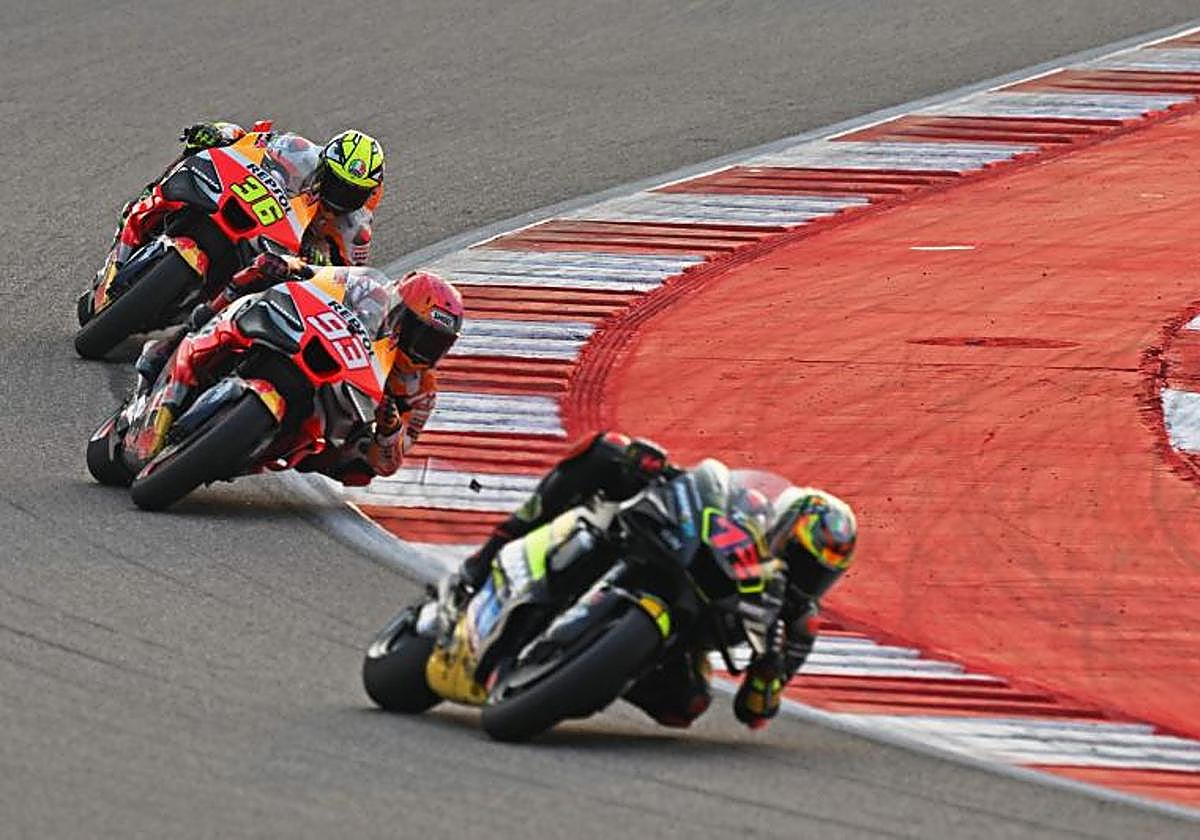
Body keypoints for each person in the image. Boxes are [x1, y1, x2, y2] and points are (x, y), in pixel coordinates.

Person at [442, 431, 858, 730]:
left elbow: (755, 712)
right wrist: (660, 470)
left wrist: (769, 669)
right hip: (662, 554)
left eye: (815, 572)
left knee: (687, 705)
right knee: (609, 451)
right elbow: (708, 487)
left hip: (688, 633)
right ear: (783, 526)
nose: (803, 574)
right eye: (798, 556)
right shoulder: (749, 509)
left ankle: (582, 675)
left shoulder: (798, 621)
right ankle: (493, 551)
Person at [136, 255, 463, 487]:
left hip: (335, 410)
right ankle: (177, 343)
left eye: (436, 344)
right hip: (307, 341)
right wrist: (290, 266)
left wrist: (390, 429)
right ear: (398, 313)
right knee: (259, 275)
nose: (423, 349)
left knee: (358, 469)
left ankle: (250, 449)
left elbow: (389, 463)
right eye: (420, 334)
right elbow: (325, 276)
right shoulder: (370, 296)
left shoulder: (421, 391)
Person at [98, 119, 385, 285]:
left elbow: (346, 283)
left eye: (351, 191)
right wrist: (218, 133)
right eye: (335, 181)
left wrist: (321, 266)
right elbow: (250, 140)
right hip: (251, 201)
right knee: (201, 147)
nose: (339, 194)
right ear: (324, 163)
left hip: (277, 252)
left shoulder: (356, 230)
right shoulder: (300, 151)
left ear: (369, 193)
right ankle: (151, 198)